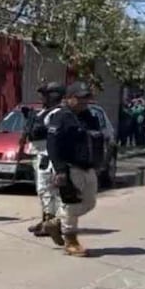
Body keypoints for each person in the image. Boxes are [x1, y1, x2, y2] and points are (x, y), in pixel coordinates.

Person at [42, 81, 107, 257]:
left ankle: (57, 222)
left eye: (86, 98)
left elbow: (96, 140)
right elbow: (52, 145)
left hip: (88, 167)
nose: (84, 101)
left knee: (89, 203)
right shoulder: (61, 117)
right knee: (71, 204)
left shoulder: (89, 117)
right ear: (69, 98)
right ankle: (71, 241)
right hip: (70, 168)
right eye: (80, 98)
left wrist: (98, 163)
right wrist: (60, 170)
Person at [24, 82, 65, 236]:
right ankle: (46, 220)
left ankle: (52, 223)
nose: (42, 98)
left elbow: (49, 133)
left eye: (45, 95)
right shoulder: (45, 112)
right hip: (39, 153)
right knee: (43, 189)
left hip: (48, 156)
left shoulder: (57, 113)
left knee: (47, 189)